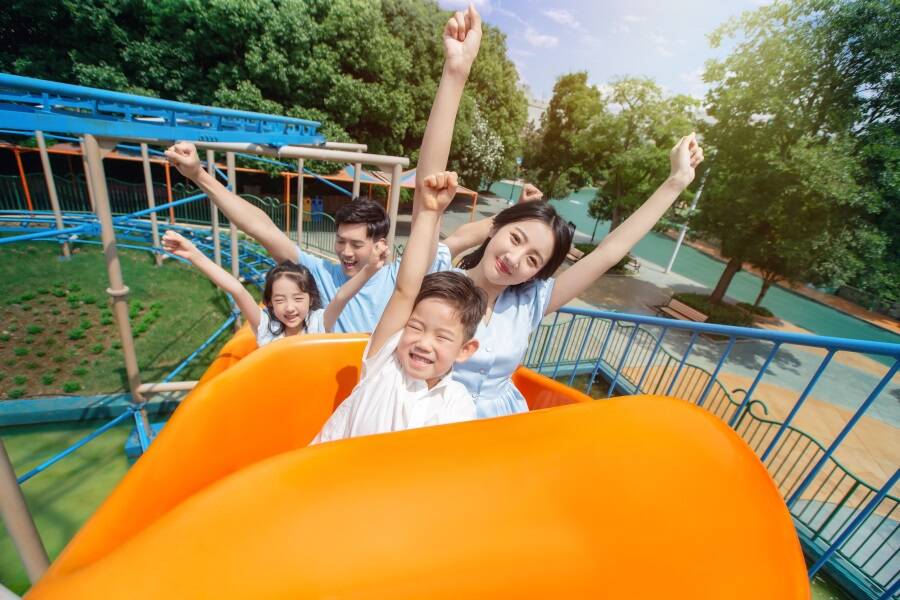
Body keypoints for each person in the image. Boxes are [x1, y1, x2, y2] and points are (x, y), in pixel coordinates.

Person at [163, 5, 485, 334]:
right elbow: (263, 229)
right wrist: (199, 175)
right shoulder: (320, 275)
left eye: (356, 244)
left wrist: (455, 72)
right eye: (341, 241)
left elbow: (427, 193)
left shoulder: (401, 280)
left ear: (380, 245)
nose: (345, 252)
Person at [446, 134, 705, 417]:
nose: (514, 259)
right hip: (435, 423)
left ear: (537, 273)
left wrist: (676, 181)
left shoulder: (529, 302)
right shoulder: (437, 281)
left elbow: (608, 252)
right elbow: (442, 216)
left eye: (533, 259)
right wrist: (518, 212)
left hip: (500, 425)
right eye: (516, 239)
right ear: (495, 228)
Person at [311, 172, 485, 443]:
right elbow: (405, 290)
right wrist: (428, 213)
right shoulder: (385, 360)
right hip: (331, 468)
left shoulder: (458, 404)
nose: (424, 343)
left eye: (441, 336)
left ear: (465, 350)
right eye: (415, 327)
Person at [161, 230, 385, 343]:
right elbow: (236, 289)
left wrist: (369, 269)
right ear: (269, 303)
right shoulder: (267, 327)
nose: (290, 308)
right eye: (279, 300)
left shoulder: (318, 323)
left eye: (298, 298)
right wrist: (193, 254)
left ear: (310, 299)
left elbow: (341, 296)